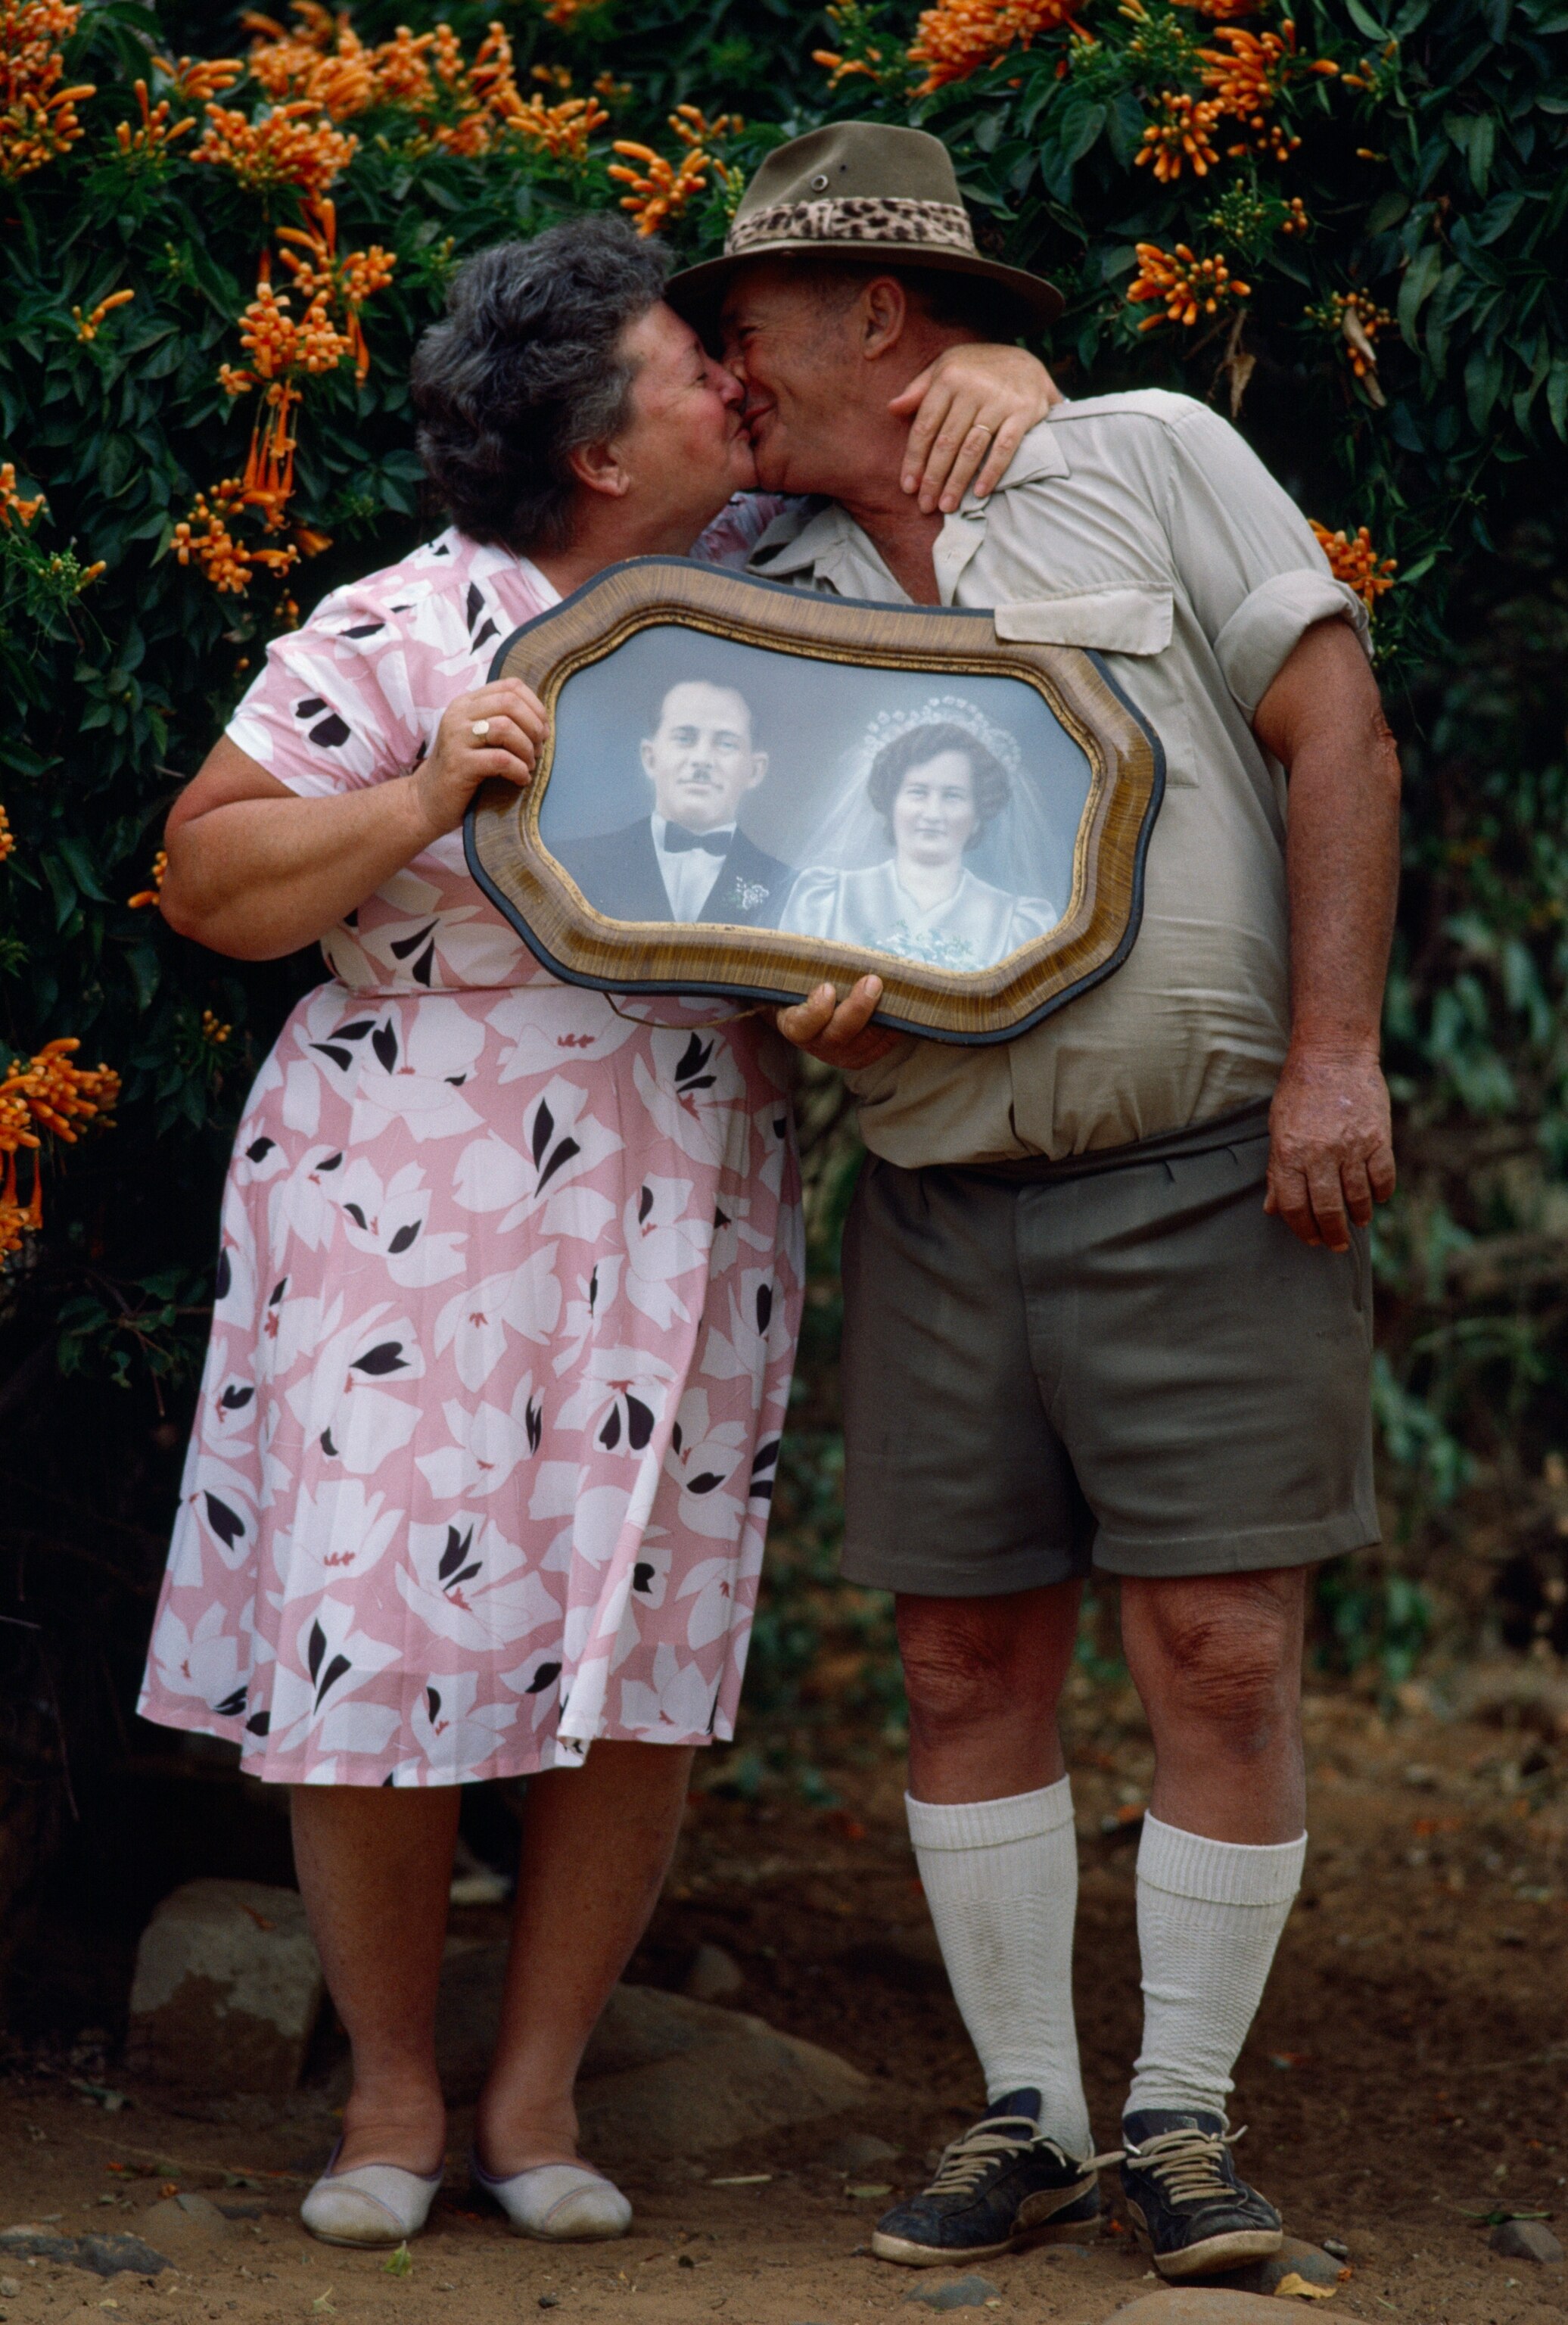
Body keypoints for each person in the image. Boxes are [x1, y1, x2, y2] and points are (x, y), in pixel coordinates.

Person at [138, 208, 1062, 2255]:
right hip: (406, 1191)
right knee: (371, 1635)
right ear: (592, 447)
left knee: (635, 1645)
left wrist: (853, 987)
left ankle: (541, 2094)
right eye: (685, 366)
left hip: (682, 1186)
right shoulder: (397, 629)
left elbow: (912, 824)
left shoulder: (770, 609)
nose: (732, 381)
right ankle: (389, 2099)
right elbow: (208, 882)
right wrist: (418, 803)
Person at [667, 121, 1402, 2280]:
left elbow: (1334, 732)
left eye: (749, 329)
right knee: (961, 1655)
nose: (726, 374)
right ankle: (1032, 2122)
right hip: (938, 1191)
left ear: (876, 314)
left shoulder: (1149, 451)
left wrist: (1337, 1058)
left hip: (1209, 1163)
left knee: (1222, 1651)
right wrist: (816, 1020)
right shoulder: (759, 575)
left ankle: (1185, 2126)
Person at [781, 702, 1057, 970]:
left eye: (952, 796)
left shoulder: (1016, 923)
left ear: (977, 815)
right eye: (918, 792)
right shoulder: (827, 899)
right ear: (892, 804)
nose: (933, 813)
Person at [555, 674, 792, 926]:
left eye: (726, 743)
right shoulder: (570, 865)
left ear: (755, 770)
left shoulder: (787, 887)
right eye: (684, 738)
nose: (702, 759)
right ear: (650, 758)